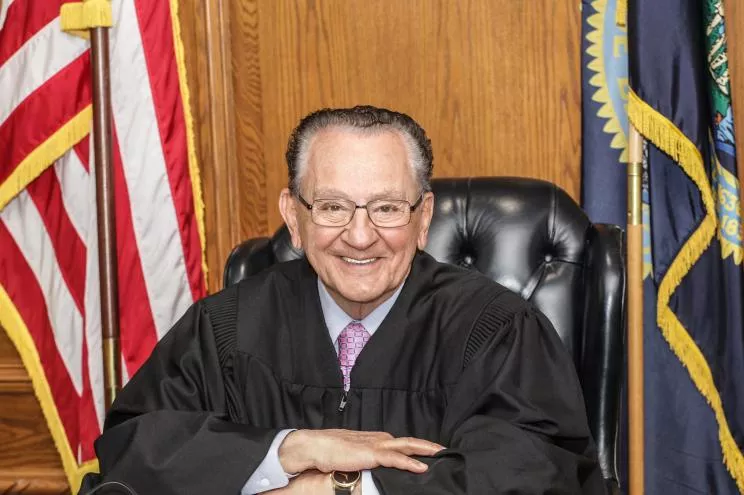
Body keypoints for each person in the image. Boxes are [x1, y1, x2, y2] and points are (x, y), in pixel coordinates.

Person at [90, 106, 606, 494]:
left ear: (423, 218)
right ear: (293, 217)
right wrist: (288, 449)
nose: (360, 237)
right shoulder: (227, 328)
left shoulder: (498, 331)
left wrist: (344, 488)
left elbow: (535, 472)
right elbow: (134, 450)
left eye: (387, 207)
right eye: (332, 207)